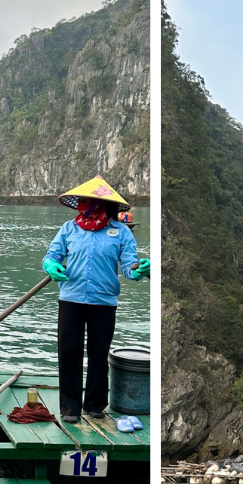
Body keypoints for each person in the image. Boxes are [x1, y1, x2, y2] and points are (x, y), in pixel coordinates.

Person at [43, 176, 150, 423]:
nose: (86, 205)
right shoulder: (69, 229)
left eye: (91, 201)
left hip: (104, 302)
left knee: (98, 354)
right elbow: (52, 255)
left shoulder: (121, 232)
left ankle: (94, 405)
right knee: (69, 352)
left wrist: (140, 270)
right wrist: (51, 265)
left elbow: (129, 268)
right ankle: (70, 409)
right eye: (84, 201)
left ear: (104, 205)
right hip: (71, 298)